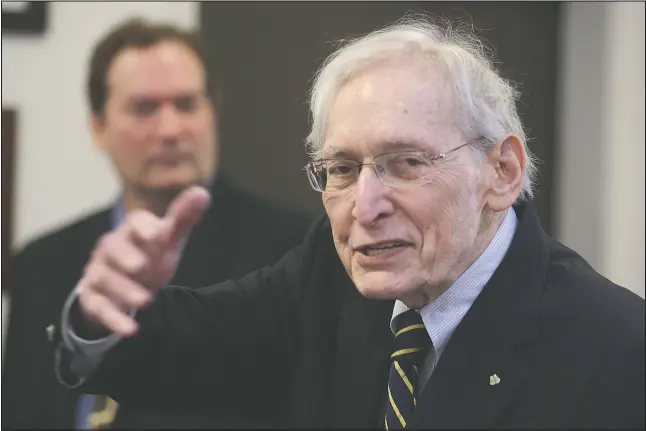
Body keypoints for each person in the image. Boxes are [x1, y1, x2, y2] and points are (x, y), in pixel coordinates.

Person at [52, 16, 644, 429]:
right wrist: (109, 307)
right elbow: (186, 348)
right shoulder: (332, 276)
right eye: (341, 168)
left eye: (406, 164)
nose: (364, 206)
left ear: (502, 170)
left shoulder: (617, 350)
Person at [2, 18, 313, 430]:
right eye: (144, 108)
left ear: (212, 114)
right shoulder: (41, 263)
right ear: (98, 126)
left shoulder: (291, 251)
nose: (170, 130)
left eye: (186, 105)